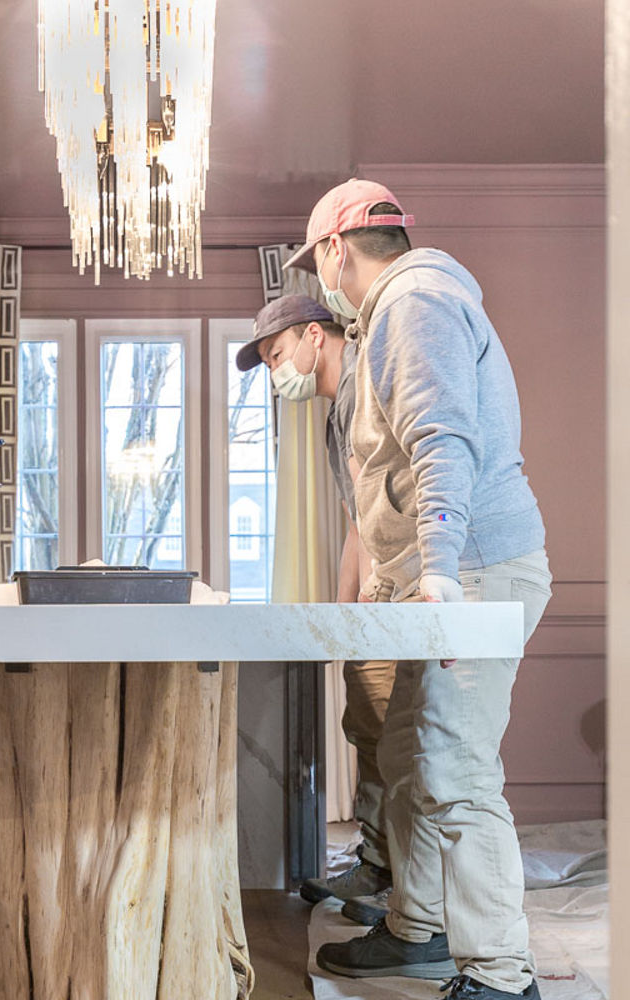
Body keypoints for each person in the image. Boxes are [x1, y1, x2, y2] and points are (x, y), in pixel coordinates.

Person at [282, 178, 550, 1000]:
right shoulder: (393, 313)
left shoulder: (413, 301)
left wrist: (434, 574)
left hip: (466, 571)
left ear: (335, 247)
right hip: (435, 577)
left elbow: (442, 439)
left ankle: (502, 976)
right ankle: (418, 929)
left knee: (453, 770)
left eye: (316, 261)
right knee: (404, 756)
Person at [235, 293, 396, 922]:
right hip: (374, 602)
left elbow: (388, 515)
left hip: (399, 597)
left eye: (278, 355)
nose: (279, 374)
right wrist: (343, 613)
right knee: (369, 731)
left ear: (314, 337)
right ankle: (377, 870)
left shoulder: (364, 389)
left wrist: (376, 608)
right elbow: (358, 520)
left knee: (394, 740)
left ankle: (404, 893)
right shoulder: (334, 414)